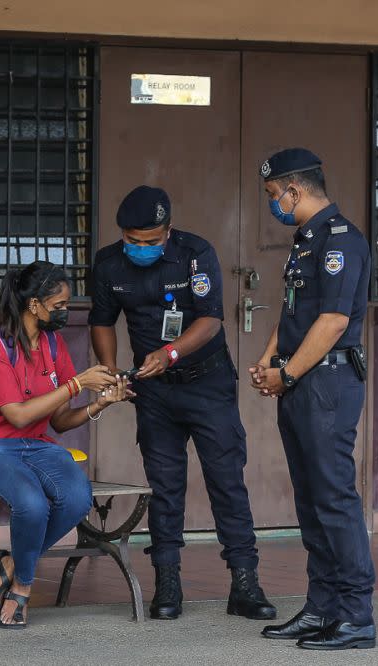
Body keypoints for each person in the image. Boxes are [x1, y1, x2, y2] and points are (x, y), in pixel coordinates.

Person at [88, 185, 276, 621]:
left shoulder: (196, 254)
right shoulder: (108, 262)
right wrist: (112, 368)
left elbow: (211, 318)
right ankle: (167, 584)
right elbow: (101, 320)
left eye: (150, 241)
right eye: (132, 240)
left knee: (227, 480)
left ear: (168, 231)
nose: (140, 248)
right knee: (165, 486)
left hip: (206, 383)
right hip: (154, 392)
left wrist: (170, 352)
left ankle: (245, 583)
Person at [0, 260, 128, 629]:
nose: (65, 313)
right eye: (58, 306)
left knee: (76, 498)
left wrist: (100, 403)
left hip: (35, 446)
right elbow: (17, 415)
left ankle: (10, 562)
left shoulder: (53, 344)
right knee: (31, 503)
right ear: (34, 305)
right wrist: (77, 384)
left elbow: (59, 420)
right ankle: (23, 587)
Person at [248, 148, 376, 650]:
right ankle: (322, 607)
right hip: (302, 381)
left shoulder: (343, 240)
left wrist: (289, 373)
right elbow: (296, 313)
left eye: (273, 196)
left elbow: (334, 321)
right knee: (310, 498)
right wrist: (268, 360)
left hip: (327, 383)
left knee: (334, 497)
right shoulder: (306, 241)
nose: (273, 205)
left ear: (295, 191)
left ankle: (355, 614)